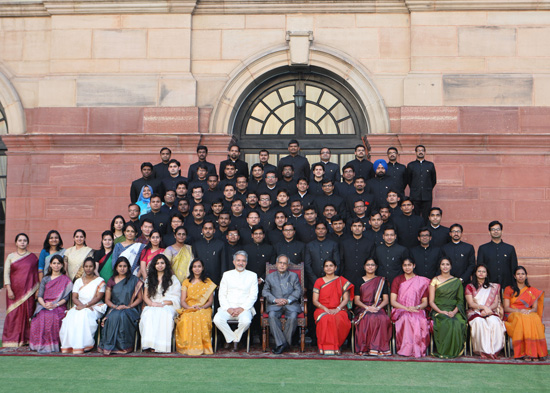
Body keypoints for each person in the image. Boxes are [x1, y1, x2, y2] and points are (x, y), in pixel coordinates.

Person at [59, 257, 107, 354]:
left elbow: (98, 297)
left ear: (94, 268)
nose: (88, 268)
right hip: (79, 306)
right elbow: (74, 298)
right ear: (83, 268)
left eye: (90, 266)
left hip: (95, 307)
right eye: (86, 266)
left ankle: (83, 345)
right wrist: (81, 306)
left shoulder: (100, 281)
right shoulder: (78, 281)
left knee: (83, 315)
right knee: (70, 316)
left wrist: (86, 306)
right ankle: (70, 345)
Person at [213, 251, 259, 351]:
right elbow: (222, 294)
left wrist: (242, 308)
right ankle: (233, 339)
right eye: (238, 260)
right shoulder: (226, 275)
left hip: (244, 308)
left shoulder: (252, 276)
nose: (240, 263)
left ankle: (232, 340)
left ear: (246, 262)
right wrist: (228, 308)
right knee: (217, 319)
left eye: (243, 261)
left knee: (246, 321)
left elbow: (253, 296)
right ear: (234, 262)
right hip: (227, 308)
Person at [98, 257, 143, 355]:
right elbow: (107, 300)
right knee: (114, 316)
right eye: (120, 266)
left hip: (130, 309)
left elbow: (140, 298)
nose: (122, 268)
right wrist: (115, 307)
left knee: (123, 316)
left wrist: (129, 306)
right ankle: (110, 346)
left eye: (125, 266)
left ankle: (124, 346)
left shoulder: (134, 280)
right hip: (114, 308)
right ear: (116, 268)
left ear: (128, 268)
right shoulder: (112, 280)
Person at [29, 255, 73, 353]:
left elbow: (66, 298)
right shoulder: (45, 279)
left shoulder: (66, 280)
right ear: (50, 265)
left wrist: (55, 304)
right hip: (44, 305)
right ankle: (39, 345)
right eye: (54, 263)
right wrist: (44, 305)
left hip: (59, 306)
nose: (56, 265)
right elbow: (40, 296)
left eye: (58, 263)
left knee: (52, 316)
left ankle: (52, 346)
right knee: (40, 317)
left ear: (62, 265)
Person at [2, 233, 39, 347]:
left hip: (28, 292)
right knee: (13, 315)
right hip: (14, 291)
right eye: (20, 240)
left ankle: (26, 339)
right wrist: (9, 289)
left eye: (24, 240)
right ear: (16, 242)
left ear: (27, 242)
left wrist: (36, 290)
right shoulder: (11, 256)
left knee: (28, 314)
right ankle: (11, 340)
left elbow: (36, 275)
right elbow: (6, 274)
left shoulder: (33, 258)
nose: (22, 242)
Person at [503, 266, 547, 361]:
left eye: (523, 274)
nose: (521, 276)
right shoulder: (509, 289)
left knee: (534, 318)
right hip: (513, 313)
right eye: (518, 274)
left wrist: (529, 311)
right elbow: (506, 308)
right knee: (521, 318)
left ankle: (535, 353)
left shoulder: (532, 291)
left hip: (528, 312)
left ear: (526, 276)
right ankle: (524, 352)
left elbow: (535, 308)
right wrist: (519, 311)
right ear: (514, 276)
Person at [140, 254, 181, 353]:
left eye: (162, 263)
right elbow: (145, 296)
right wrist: (152, 304)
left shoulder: (173, 279)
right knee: (148, 314)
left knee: (164, 314)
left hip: (168, 305)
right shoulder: (149, 279)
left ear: (166, 264)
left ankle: (161, 346)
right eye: (157, 263)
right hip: (153, 304)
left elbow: (177, 297)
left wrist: (163, 303)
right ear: (154, 265)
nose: (160, 265)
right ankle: (149, 344)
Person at [262, 254, 303, 354]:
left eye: (284, 263)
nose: (282, 265)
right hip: (275, 305)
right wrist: (275, 300)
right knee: (272, 315)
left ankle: (282, 344)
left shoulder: (293, 276)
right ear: (276, 264)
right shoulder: (270, 277)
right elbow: (265, 291)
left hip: (290, 304)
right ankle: (284, 344)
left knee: (293, 316)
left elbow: (298, 291)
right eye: (280, 263)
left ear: (288, 265)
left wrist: (288, 300)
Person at [390, 258, 430, 357]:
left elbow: (425, 302)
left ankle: (417, 349)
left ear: (414, 266)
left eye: (409, 265)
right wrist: (406, 308)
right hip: (400, 309)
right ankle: (406, 349)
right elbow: (393, 301)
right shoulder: (397, 280)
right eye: (405, 265)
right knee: (406, 318)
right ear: (402, 267)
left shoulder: (422, 281)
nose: (407, 268)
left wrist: (417, 307)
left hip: (417, 309)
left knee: (420, 319)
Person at [176, 258, 217, 355]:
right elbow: (182, 301)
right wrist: (189, 308)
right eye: (194, 267)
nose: (197, 269)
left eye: (199, 266)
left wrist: (202, 307)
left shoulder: (208, 282)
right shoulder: (186, 282)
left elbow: (210, 301)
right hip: (188, 308)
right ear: (191, 269)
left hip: (204, 308)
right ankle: (188, 347)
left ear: (202, 268)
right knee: (187, 318)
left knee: (200, 316)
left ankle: (202, 348)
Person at [312, 259, 353, 355]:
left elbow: (346, 299)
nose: (329, 268)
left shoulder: (341, 281)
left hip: (339, 308)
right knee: (326, 318)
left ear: (335, 268)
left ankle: (336, 346)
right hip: (322, 309)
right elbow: (315, 300)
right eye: (326, 266)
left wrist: (337, 308)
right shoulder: (319, 281)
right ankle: (324, 347)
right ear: (323, 268)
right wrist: (324, 308)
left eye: (331, 265)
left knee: (338, 318)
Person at [465, 264, 506, 359]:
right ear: (475, 273)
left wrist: (488, 310)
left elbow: (496, 303)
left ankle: (494, 350)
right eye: (479, 271)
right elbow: (471, 303)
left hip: (490, 311)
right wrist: (483, 308)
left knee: (494, 322)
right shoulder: (470, 287)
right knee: (479, 322)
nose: (481, 273)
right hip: (475, 312)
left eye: (483, 271)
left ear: (487, 274)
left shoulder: (493, 287)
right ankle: (483, 350)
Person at [429, 257, 467, 359]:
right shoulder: (435, 280)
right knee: (447, 322)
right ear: (440, 266)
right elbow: (431, 301)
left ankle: (454, 351)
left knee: (458, 322)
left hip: (454, 310)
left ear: (451, 266)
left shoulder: (456, 281)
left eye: (447, 264)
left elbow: (460, 301)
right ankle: (444, 350)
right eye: (443, 264)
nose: (445, 267)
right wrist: (441, 311)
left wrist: (454, 312)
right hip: (439, 310)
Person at [353, 258, 392, 356]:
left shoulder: (381, 281)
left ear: (376, 267)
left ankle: (379, 348)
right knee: (369, 317)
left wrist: (378, 308)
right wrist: (367, 307)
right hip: (363, 307)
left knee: (382, 318)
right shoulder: (359, 280)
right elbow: (356, 300)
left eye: (372, 265)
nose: (370, 267)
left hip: (377, 307)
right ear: (364, 267)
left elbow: (386, 300)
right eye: (368, 265)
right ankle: (366, 348)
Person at [477, 220, 518, 289]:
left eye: (498, 229)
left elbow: (514, 267)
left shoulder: (510, 248)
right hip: (488, 284)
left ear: (502, 231)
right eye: (493, 230)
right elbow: (479, 267)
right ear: (489, 232)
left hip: (507, 284)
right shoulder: (483, 248)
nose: (495, 231)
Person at [406, 145, 436, 220]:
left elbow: (433, 180)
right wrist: (415, 188)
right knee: (415, 216)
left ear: (425, 152)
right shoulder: (411, 165)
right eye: (418, 150)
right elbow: (408, 180)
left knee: (426, 216)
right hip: (415, 195)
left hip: (427, 195)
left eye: (422, 150)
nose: (420, 152)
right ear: (415, 152)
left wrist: (427, 188)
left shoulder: (430, 165)